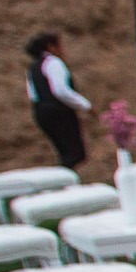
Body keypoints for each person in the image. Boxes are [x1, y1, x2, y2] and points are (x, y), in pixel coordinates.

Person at [25, 30, 89, 168]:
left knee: (64, 152)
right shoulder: (54, 63)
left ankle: (66, 179)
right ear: (50, 47)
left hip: (41, 112)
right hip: (59, 112)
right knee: (76, 154)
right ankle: (66, 181)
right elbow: (60, 90)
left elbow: (32, 94)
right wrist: (84, 105)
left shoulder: (33, 67)